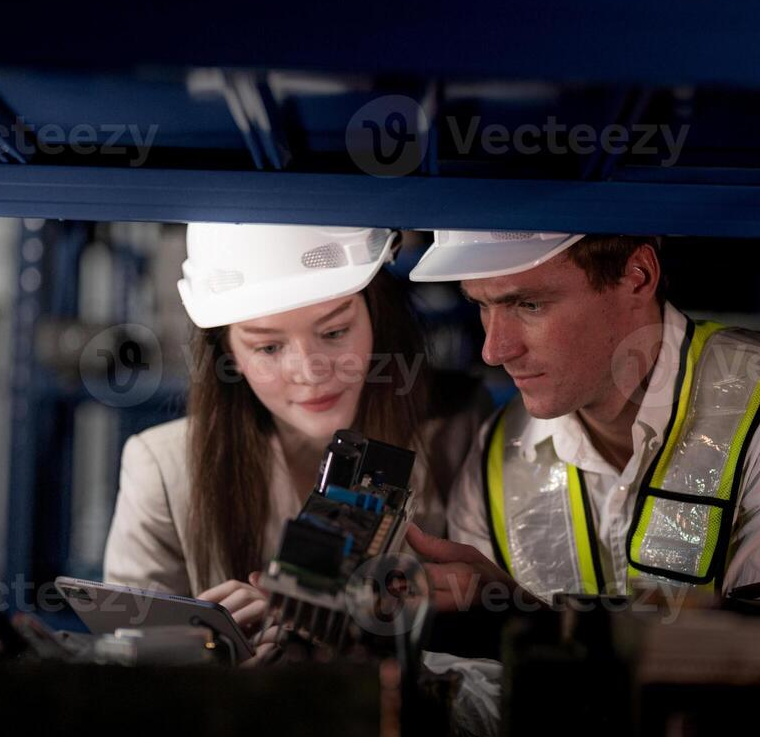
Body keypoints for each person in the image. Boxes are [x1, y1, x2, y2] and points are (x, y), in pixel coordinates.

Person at [400, 230, 760, 609]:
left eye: (530, 304)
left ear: (638, 277)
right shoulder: (500, 450)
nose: (495, 349)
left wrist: (528, 630)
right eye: (482, 307)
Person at [102, 223, 484, 633]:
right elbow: (130, 669)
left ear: (376, 315)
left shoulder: (458, 431)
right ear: (228, 352)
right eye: (268, 347)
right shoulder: (162, 470)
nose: (309, 371)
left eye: (335, 332)